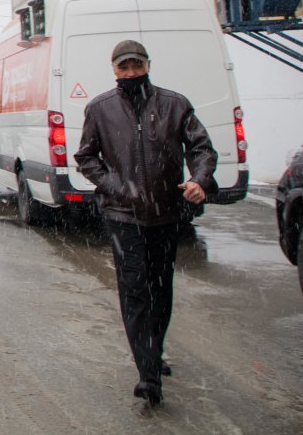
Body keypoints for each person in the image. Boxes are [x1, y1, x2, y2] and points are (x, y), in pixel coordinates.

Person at [73, 39, 217, 413]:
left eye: (137, 66)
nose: (131, 73)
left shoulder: (174, 104)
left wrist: (200, 178)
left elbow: (201, 146)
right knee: (135, 292)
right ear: (114, 70)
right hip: (123, 217)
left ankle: (154, 350)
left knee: (161, 290)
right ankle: (148, 374)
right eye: (124, 68)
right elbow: (86, 158)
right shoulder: (100, 109)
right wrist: (118, 188)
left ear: (148, 65)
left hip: (166, 214)